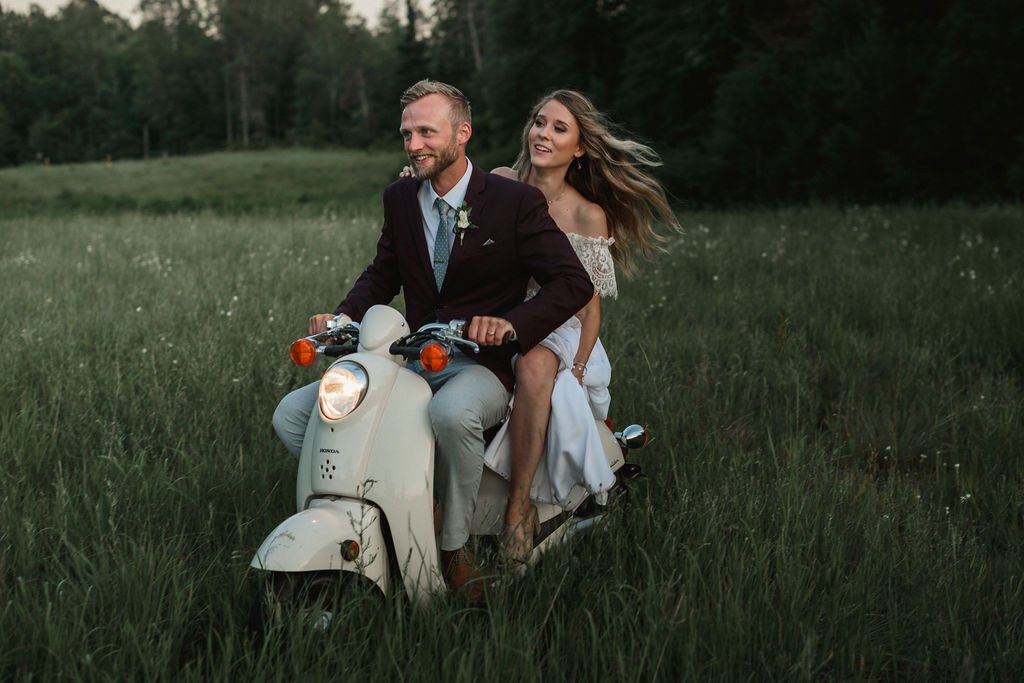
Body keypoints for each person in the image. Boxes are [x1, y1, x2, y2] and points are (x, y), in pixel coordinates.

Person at [271, 80, 594, 600]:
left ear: (462, 133)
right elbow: (384, 272)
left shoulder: (514, 201)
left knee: (452, 415)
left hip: (480, 365)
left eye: (427, 131)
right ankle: (403, 509)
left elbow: (574, 283)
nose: (414, 144)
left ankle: (455, 546)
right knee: (293, 414)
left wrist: (511, 323)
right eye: (406, 134)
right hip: (410, 357)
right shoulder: (399, 197)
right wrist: (342, 316)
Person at [483, 89, 681, 564]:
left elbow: (587, 307)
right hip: (496, 311)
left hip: (557, 323)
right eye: (539, 121)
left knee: (533, 368)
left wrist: (577, 364)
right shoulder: (498, 181)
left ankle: (518, 510)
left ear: (580, 148)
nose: (542, 134)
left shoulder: (585, 213)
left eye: (558, 128)